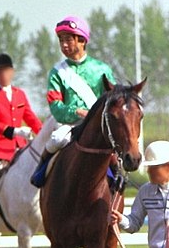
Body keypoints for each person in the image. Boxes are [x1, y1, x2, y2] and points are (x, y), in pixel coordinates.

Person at [30, 15, 116, 186]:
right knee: (56, 139)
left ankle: (118, 181)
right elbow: (55, 106)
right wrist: (75, 111)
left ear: (82, 40)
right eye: (61, 40)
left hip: (96, 126)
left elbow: (112, 100)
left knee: (115, 151)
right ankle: (40, 172)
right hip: (69, 125)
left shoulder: (102, 69)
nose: (64, 45)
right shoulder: (57, 72)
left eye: (68, 40)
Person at [0, 53, 43, 227]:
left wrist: (43, 133)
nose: (3, 75)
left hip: (19, 148)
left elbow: (30, 116)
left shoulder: (20, 94)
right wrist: (16, 131)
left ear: (12, 72)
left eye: (6, 71)